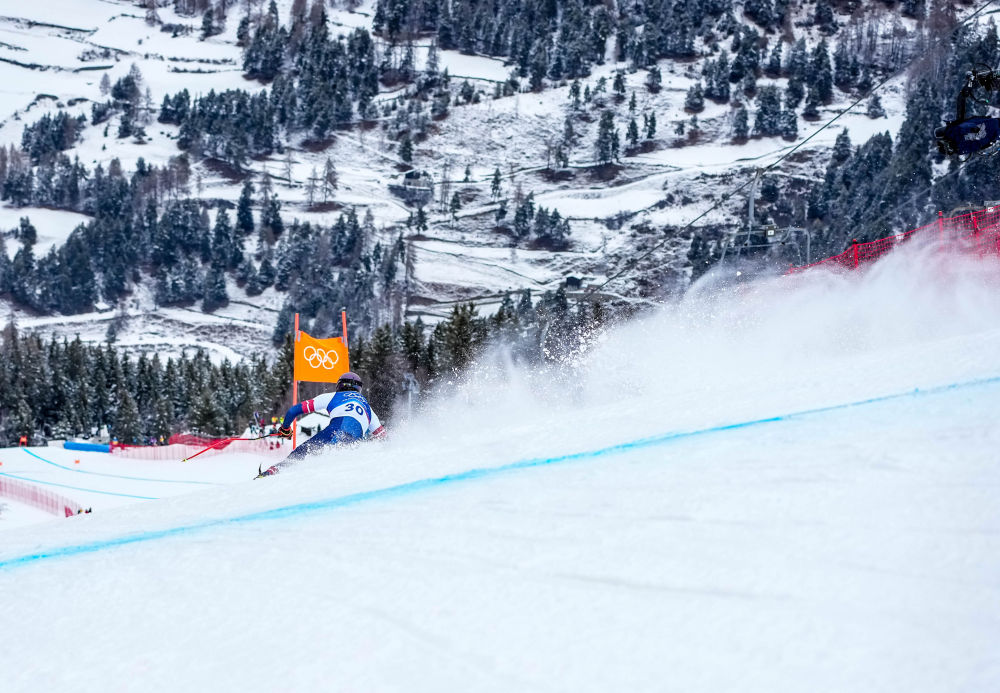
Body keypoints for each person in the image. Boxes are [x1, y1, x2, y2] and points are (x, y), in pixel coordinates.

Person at [256, 372, 385, 477]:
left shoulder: (333, 396)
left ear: (339, 385)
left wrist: (285, 428)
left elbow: (292, 411)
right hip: (354, 445)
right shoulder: (369, 410)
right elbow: (382, 438)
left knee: (297, 457)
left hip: (334, 433)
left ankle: (271, 473)